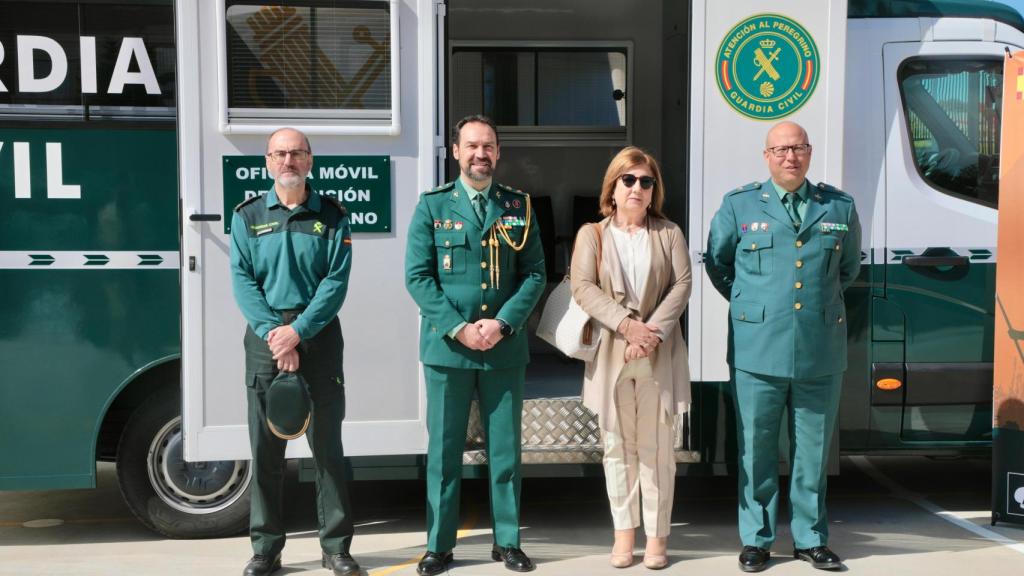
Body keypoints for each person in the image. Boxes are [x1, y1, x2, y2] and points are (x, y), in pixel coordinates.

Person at [705, 121, 861, 573]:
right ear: (766, 155)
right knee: (755, 450)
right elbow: (719, 264)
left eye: (798, 148)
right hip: (758, 350)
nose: (789, 157)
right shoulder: (740, 205)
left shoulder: (838, 205)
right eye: (780, 149)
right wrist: (756, 304)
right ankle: (757, 540)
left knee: (811, 454)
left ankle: (811, 540)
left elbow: (847, 269)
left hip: (819, 349)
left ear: (809, 153)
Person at [404, 115, 546, 575]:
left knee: (505, 450)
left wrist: (502, 324)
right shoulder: (432, 206)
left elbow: (535, 274)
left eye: (488, 145)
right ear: (456, 151)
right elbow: (418, 277)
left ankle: (507, 540)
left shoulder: (518, 206)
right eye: (471, 146)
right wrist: (460, 328)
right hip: (449, 349)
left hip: (503, 348)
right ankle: (439, 545)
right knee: (444, 452)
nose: (480, 153)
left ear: (498, 152)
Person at [230, 127, 359, 576]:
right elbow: (243, 281)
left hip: (318, 338)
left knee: (327, 449)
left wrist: (297, 332)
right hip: (266, 343)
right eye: (280, 154)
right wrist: (275, 333)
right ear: (267, 161)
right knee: (265, 452)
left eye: (297, 153)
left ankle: (336, 547)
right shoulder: (246, 217)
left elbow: (335, 284)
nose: (288, 161)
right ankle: (265, 548)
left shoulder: (333, 215)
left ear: (310, 160)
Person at [570, 147, 692, 570]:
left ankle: (657, 541)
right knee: (618, 449)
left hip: (657, 355)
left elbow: (683, 285)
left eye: (646, 181)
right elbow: (583, 287)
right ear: (613, 187)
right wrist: (627, 327)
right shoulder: (593, 234)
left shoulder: (669, 233)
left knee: (658, 451)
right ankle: (624, 537)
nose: (637, 188)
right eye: (629, 180)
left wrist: (650, 334)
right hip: (612, 355)